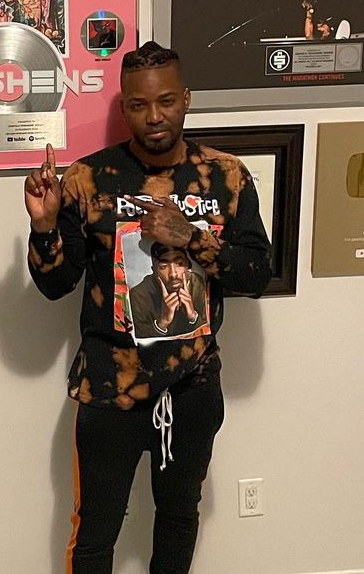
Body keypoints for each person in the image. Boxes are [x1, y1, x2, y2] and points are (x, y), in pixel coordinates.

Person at [24, 41, 271, 574]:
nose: (154, 116)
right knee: (95, 531)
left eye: (166, 101)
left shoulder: (227, 176)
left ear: (186, 99)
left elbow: (256, 274)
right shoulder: (86, 180)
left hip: (192, 385)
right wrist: (44, 227)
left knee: (180, 517)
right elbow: (55, 284)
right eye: (138, 104)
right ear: (124, 107)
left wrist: (193, 239)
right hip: (109, 384)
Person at [128, 243, 208, 339]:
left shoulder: (198, 284)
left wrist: (193, 316)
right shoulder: (138, 295)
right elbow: (137, 339)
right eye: (163, 267)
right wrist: (162, 323)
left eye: (179, 264)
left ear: (188, 265)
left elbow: (207, 331)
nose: (173, 274)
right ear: (154, 271)